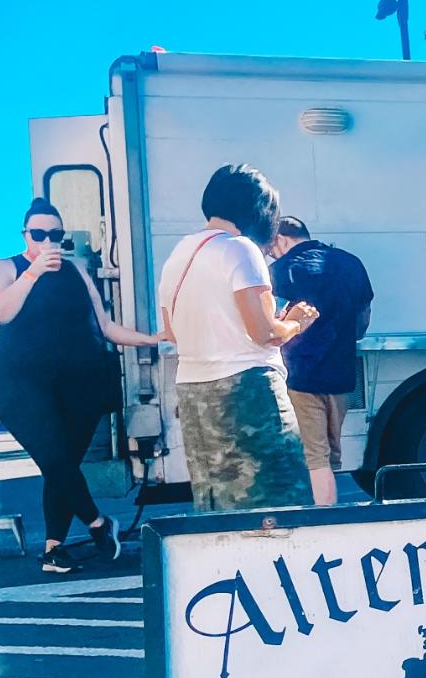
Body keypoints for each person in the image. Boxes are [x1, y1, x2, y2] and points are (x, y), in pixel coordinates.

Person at [0, 199, 161, 573]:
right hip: (20, 381)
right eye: (39, 234)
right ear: (25, 235)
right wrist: (32, 273)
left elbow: (106, 327)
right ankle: (98, 524)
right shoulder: (7, 268)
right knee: (53, 456)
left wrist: (150, 339)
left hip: (80, 381)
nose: (48, 242)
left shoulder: (77, 270)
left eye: (56, 234)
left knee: (61, 463)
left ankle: (53, 547)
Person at [157, 164, 319, 512]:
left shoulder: (178, 254)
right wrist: (295, 321)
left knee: (218, 505)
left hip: (193, 393)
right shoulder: (239, 249)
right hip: (248, 392)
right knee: (278, 501)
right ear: (260, 210)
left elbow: (171, 331)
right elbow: (264, 332)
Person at [266, 217, 374, 507]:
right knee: (331, 456)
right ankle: (327, 508)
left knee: (314, 458)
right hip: (341, 376)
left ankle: (323, 520)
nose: (269, 252)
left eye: (269, 246)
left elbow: (271, 325)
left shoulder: (280, 271)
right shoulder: (351, 263)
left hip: (299, 377)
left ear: (281, 239)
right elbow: (363, 318)